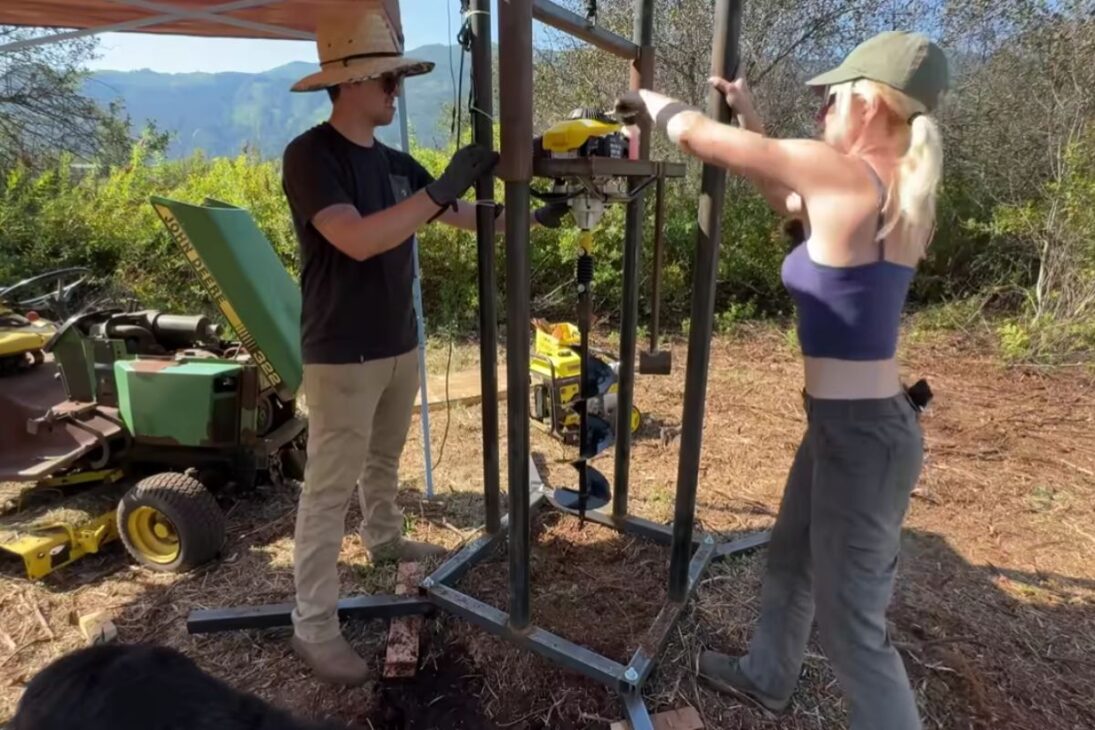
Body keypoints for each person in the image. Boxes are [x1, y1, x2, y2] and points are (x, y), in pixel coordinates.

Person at [616, 31, 948, 730]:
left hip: (863, 439)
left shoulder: (842, 173)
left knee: (854, 631)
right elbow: (786, 199)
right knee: (792, 558)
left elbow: (697, 137)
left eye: (832, 97)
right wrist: (753, 116)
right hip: (852, 427)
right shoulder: (892, 187)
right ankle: (767, 676)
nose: (822, 110)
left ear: (867, 104)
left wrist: (645, 96)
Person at [279, 5, 504, 685]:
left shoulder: (394, 162)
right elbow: (357, 238)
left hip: (398, 341)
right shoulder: (311, 156)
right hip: (341, 350)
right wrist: (438, 191)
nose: (396, 89)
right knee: (327, 490)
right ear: (350, 81)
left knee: (383, 458)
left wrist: (524, 213)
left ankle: (382, 538)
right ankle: (313, 626)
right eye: (388, 78)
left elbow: (458, 212)